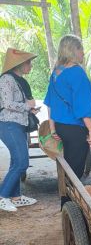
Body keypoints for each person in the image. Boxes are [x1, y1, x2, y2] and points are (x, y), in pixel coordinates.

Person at [44, 35, 91, 185]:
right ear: (74, 51)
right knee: (75, 172)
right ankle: (69, 204)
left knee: (67, 167)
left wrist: (53, 128)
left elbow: (50, 103)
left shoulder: (56, 73)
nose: (83, 53)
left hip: (61, 127)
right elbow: (82, 106)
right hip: (75, 129)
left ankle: (66, 202)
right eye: (81, 49)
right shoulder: (76, 72)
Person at [0, 48, 39, 212]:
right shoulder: (6, 79)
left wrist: (30, 110)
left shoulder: (18, 80)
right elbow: (7, 104)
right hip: (8, 124)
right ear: (20, 64)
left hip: (17, 124)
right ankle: (2, 197)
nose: (30, 65)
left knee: (16, 161)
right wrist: (27, 106)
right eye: (28, 62)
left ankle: (15, 197)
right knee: (22, 162)